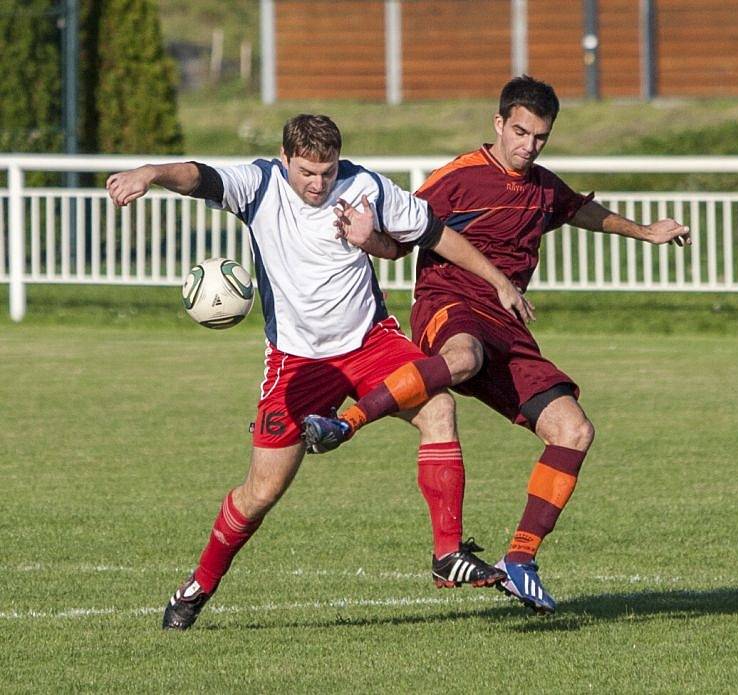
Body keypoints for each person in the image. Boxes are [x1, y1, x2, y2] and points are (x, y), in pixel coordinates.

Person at [106, 114, 524, 630]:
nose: (317, 183)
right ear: (285, 159)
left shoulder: (365, 186)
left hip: (372, 343)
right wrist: (150, 172)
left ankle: (446, 555)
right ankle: (198, 586)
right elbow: (199, 176)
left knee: (438, 405)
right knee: (260, 492)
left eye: (326, 172)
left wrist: (498, 279)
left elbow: (435, 234)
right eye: (306, 171)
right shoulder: (259, 185)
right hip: (297, 361)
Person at [317, 76, 692, 614]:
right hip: (450, 303)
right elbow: (399, 242)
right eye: (520, 132)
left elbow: (577, 210)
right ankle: (346, 422)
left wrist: (645, 232)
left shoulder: (540, 184)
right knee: (463, 358)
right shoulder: (458, 178)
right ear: (498, 124)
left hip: (508, 324)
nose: (529, 145)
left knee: (574, 429)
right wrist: (368, 238)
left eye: (540, 136)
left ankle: (520, 560)